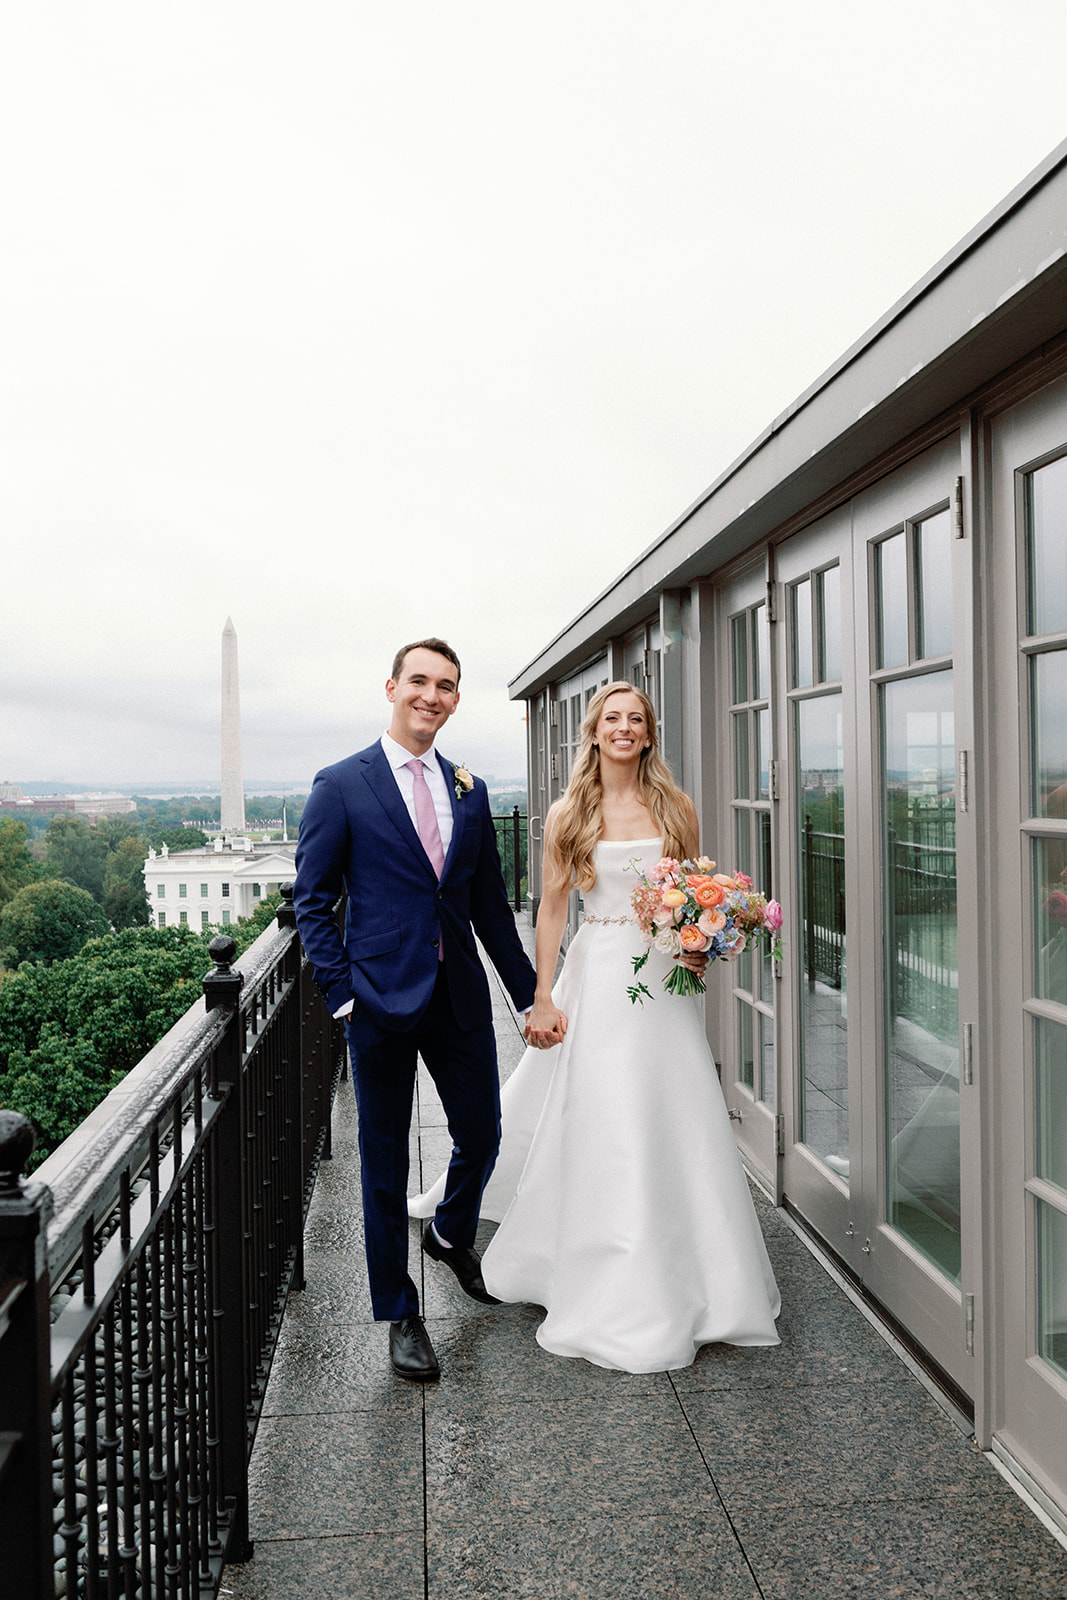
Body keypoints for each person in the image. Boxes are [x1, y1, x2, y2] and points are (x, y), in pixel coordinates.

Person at [410, 681, 780, 1371]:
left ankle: (699, 1271)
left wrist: (700, 939)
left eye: (635, 719)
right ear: (594, 730)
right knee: (605, 1113)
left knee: (672, 1107)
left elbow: (694, 883)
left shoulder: (674, 805)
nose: (624, 728)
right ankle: (598, 1262)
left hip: (660, 978)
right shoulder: (566, 812)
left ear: (647, 734)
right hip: (599, 970)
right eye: (612, 718)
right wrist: (540, 996)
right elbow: (551, 909)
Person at [294, 638, 538, 1381]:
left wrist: (531, 996)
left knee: (482, 1133)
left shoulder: (469, 788)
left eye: (447, 686)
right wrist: (341, 998)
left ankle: (449, 1233)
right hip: (377, 1000)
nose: (432, 695)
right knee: (382, 1162)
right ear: (393, 687)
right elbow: (311, 902)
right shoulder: (341, 784)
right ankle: (400, 1313)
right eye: (420, 682)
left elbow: (489, 904)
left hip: (457, 992)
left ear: (456, 699)